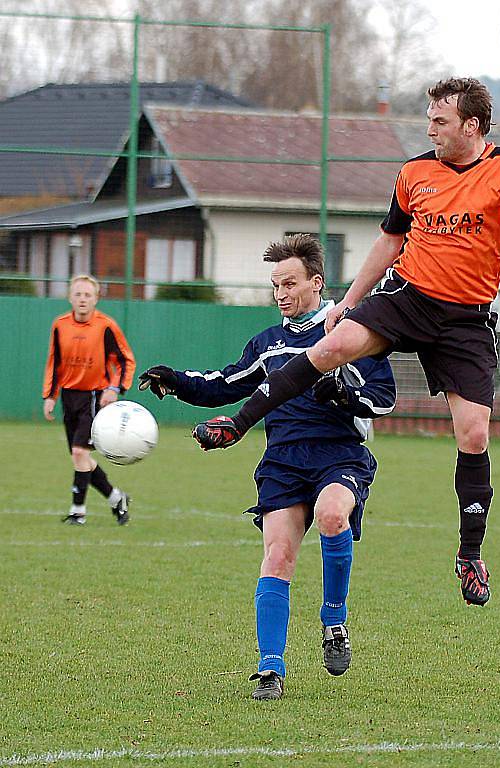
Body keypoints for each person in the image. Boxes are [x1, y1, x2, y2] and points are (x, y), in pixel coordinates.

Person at [192, 78, 500, 608]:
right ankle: (238, 423)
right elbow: (391, 238)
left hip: (466, 319)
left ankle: (469, 555)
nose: (429, 127)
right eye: (429, 117)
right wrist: (348, 299)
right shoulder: (414, 172)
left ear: (472, 126)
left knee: (475, 434)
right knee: (331, 346)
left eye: (440, 120)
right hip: (407, 295)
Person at [138, 234, 396, 700]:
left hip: (339, 452)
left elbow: (382, 397)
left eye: (290, 283)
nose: (280, 293)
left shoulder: (352, 330)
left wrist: (341, 392)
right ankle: (270, 669)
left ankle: (334, 620)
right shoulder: (267, 343)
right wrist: (176, 381)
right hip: (282, 462)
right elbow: (225, 384)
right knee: (278, 556)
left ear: (316, 283)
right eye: (275, 284)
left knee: (333, 514)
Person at [43, 274, 136, 526]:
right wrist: (50, 396)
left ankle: (78, 511)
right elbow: (55, 363)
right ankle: (117, 498)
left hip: (95, 397)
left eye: (88, 295)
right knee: (80, 458)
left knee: (79, 452)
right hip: (69, 396)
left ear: (96, 299)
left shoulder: (105, 326)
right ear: (70, 297)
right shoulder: (60, 325)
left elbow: (126, 360)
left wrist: (115, 388)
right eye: (78, 294)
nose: (82, 299)